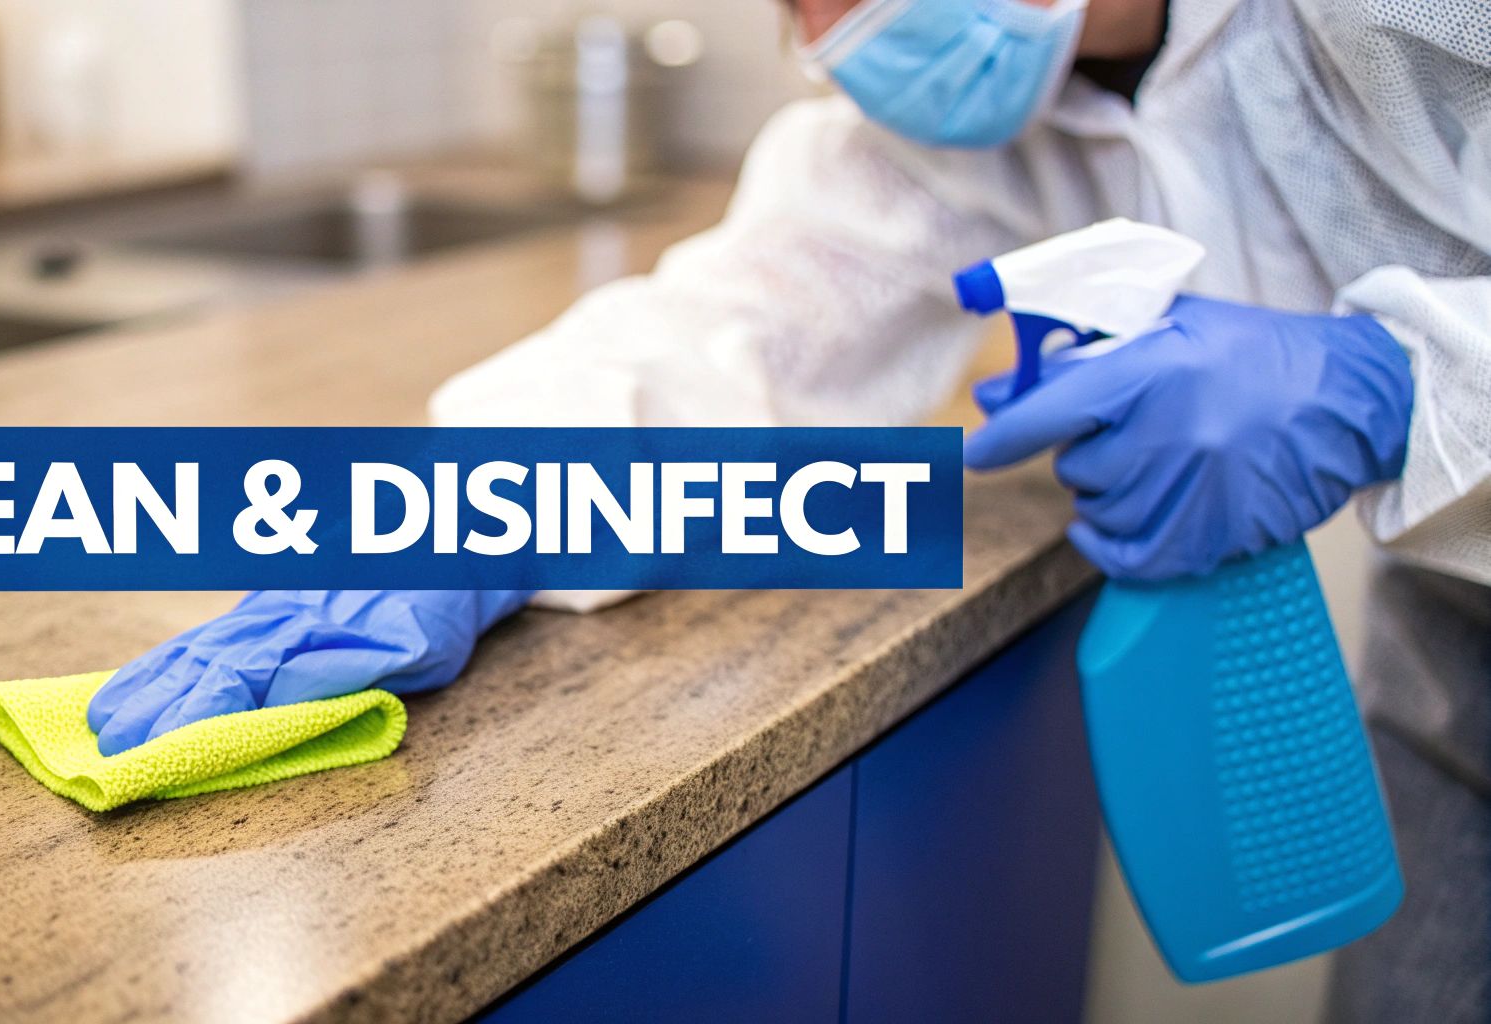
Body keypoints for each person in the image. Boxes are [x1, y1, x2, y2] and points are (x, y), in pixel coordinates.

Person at [90, 1, 1488, 1016]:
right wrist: (474, 506)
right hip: (1458, 658)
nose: (826, 26)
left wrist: (1397, 384)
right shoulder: (1002, 116)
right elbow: (752, 326)